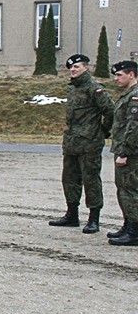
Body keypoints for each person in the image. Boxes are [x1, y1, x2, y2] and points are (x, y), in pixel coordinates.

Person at [49, 54, 114, 232]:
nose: (73, 70)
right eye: (71, 67)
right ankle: (72, 215)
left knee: (91, 180)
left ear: (86, 67)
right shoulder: (73, 88)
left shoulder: (95, 89)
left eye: (76, 67)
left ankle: (94, 219)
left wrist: (102, 131)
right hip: (72, 141)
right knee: (69, 179)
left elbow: (110, 111)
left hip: (89, 143)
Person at [107, 61, 138, 245]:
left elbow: (134, 127)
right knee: (123, 190)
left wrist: (125, 152)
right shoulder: (127, 95)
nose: (116, 79)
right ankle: (128, 225)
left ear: (131, 75)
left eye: (119, 75)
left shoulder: (135, 96)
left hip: (131, 152)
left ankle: (134, 231)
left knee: (131, 190)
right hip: (123, 149)